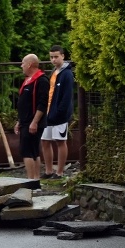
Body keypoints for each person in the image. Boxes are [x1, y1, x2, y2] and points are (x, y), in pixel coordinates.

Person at [41, 45, 74, 179]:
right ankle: (48, 170)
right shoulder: (53, 73)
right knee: (44, 140)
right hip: (48, 113)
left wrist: (60, 112)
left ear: (62, 56)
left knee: (60, 141)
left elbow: (67, 96)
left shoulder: (67, 74)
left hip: (60, 115)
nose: (53, 60)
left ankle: (59, 172)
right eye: (51, 57)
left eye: (56, 57)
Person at [14, 54, 49, 180]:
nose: (21, 65)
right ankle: (34, 180)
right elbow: (25, 104)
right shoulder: (29, 80)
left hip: (32, 122)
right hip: (25, 121)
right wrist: (19, 121)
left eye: (23, 63)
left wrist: (34, 122)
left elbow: (42, 104)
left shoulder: (41, 80)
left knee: (27, 151)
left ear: (29, 64)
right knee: (33, 151)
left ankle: (31, 180)